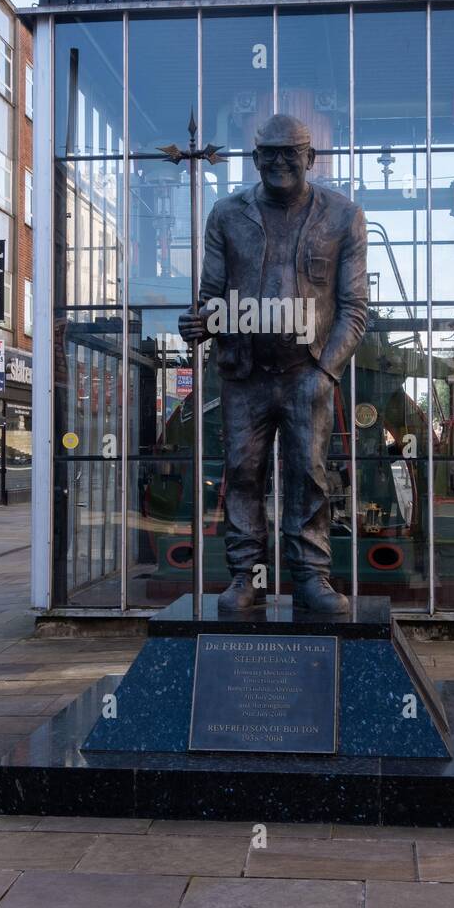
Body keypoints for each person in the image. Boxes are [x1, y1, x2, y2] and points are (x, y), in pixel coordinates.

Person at [179, 114, 367, 612]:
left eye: (291, 153)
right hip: (245, 373)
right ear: (256, 158)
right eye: (270, 154)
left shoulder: (343, 217)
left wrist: (326, 373)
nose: (280, 162)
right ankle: (246, 577)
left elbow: (354, 310)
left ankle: (311, 578)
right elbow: (210, 297)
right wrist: (198, 324)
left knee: (309, 474)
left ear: (310, 158)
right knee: (242, 473)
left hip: (309, 372)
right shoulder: (225, 215)